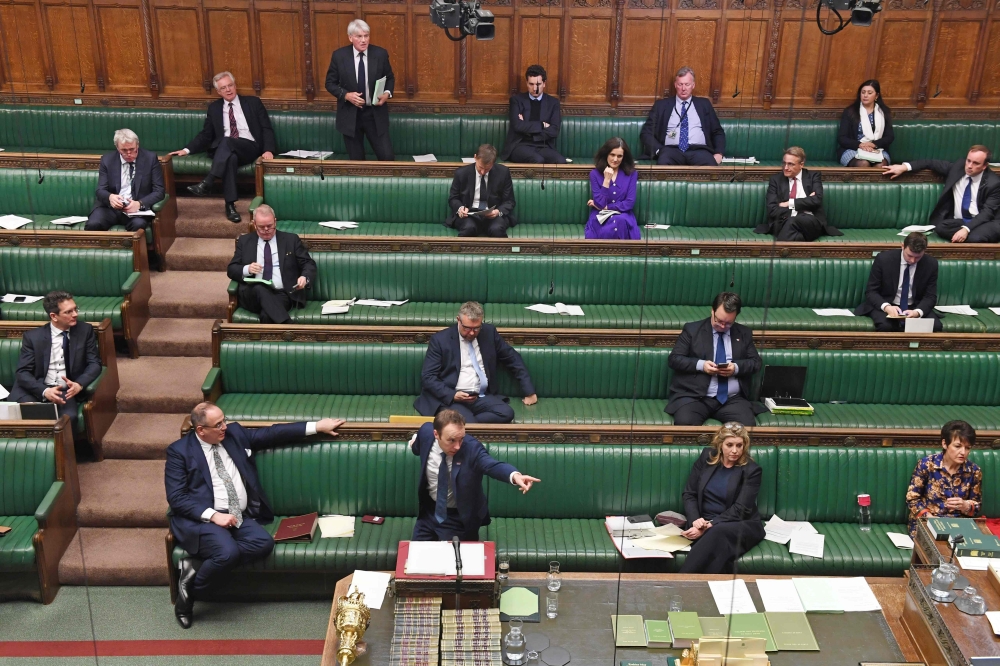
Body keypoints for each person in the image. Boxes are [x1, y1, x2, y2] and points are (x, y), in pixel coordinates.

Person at [166, 402, 345, 628]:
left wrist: (316, 426)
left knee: (263, 543)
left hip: (238, 516)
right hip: (203, 519)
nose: (225, 427)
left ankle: (193, 571)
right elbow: (177, 497)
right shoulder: (179, 452)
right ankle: (188, 597)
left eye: (225, 420)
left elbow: (272, 433)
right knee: (227, 552)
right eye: (218, 424)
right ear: (201, 430)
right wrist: (212, 515)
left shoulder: (234, 434)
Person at [410, 409, 540, 542]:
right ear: (436, 434)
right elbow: (417, 447)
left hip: (458, 518)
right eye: (452, 440)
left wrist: (514, 476)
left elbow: (491, 465)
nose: (457, 446)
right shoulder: (426, 432)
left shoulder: (472, 449)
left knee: (455, 560)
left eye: (461, 439)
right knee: (415, 556)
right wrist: (414, 440)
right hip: (428, 513)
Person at [169, 71, 276, 223]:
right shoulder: (214, 108)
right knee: (230, 157)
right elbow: (206, 135)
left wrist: (268, 150)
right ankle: (230, 206)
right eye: (223, 88)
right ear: (218, 92)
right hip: (225, 150)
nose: (228, 90)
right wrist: (186, 150)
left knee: (227, 141)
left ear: (235, 86)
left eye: (230, 85)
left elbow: (266, 128)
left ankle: (208, 181)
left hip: (249, 147)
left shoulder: (253, 102)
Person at [414, 301, 537, 424]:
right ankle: (465, 423)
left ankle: (462, 423)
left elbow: (513, 358)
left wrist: (529, 391)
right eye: (467, 328)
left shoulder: (489, 333)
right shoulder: (440, 340)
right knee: (468, 422)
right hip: (452, 398)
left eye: (476, 328)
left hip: (480, 397)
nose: (472, 333)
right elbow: (428, 377)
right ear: (458, 320)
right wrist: (452, 395)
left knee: (506, 413)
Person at [9, 291, 101, 434]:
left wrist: (79, 384)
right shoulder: (33, 337)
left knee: (68, 419)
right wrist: (44, 391)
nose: (75, 314)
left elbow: (94, 363)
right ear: (54, 316)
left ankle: (66, 456)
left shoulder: (85, 330)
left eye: (75, 309)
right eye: (68, 312)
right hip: (36, 388)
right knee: (27, 419)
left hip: (65, 391)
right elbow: (23, 372)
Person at [678, 422, 765, 574]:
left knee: (717, 533)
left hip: (739, 523)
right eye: (729, 445)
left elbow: (741, 510)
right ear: (720, 444)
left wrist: (708, 526)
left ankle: (681, 582)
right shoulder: (707, 457)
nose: (735, 451)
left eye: (739, 445)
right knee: (718, 548)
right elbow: (689, 493)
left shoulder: (752, 470)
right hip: (703, 523)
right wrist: (695, 520)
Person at [666, 292, 762, 426]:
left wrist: (735, 368)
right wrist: (701, 365)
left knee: (746, 426)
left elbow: (756, 363)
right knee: (685, 423)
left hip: (731, 399)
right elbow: (674, 359)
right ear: (712, 311)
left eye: (728, 323)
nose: (722, 326)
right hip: (695, 397)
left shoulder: (744, 333)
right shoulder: (692, 330)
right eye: (719, 321)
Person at [883, 145, 1000, 243]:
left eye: (976, 163)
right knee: (940, 227)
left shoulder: (993, 183)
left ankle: (971, 234)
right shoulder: (957, 168)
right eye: (968, 161)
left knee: (976, 238)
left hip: (987, 221)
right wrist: (904, 167)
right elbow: (930, 163)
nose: (969, 166)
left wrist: (966, 229)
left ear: (985, 166)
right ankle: (966, 235)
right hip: (961, 220)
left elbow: (987, 213)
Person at [226, 204, 316, 324]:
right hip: (252, 295)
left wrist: (304, 277)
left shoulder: (290, 240)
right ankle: (290, 327)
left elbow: (308, 264)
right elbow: (231, 269)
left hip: (281, 293)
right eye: (261, 227)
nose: (266, 230)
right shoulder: (245, 241)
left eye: (269, 226)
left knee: (267, 316)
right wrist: (247, 269)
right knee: (259, 288)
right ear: (254, 224)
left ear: (275, 221)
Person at [324, 19, 395, 161]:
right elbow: (330, 83)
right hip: (351, 116)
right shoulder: (339, 56)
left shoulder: (380, 54)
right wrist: (346, 95)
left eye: (366, 36)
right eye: (359, 36)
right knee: (357, 162)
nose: (364, 40)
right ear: (350, 37)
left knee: (387, 158)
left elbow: (390, 78)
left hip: (374, 114)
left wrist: (387, 93)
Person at [905, 420, 982, 537]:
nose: (963, 452)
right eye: (958, 446)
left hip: (957, 526)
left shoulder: (974, 471)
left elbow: (976, 506)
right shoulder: (927, 464)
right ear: (945, 444)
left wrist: (965, 506)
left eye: (967, 448)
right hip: (927, 521)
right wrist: (929, 517)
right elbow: (912, 498)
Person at [855, 231, 941, 332]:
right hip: (887, 303)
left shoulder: (931, 264)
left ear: (924, 251)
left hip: (914, 306)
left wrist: (917, 312)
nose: (913, 260)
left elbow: (930, 296)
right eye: (909, 255)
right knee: (886, 326)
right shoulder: (883, 259)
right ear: (902, 246)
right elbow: (871, 291)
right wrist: (887, 307)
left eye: (918, 257)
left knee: (936, 326)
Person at [639, 67, 726, 166]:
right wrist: (659, 150)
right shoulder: (661, 105)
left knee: (710, 165)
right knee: (663, 162)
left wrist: (719, 153)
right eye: (680, 84)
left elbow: (717, 131)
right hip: (671, 151)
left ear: (693, 85)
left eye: (687, 84)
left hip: (699, 150)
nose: (683, 88)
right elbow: (646, 133)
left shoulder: (704, 104)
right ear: (675, 85)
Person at [86, 129, 165, 233]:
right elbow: (100, 190)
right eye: (124, 150)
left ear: (137, 145)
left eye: (132, 149)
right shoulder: (107, 160)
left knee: (138, 225)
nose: (129, 153)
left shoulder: (150, 159)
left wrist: (139, 204)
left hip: (136, 210)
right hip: (110, 208)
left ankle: (134, 249)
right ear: (117, 148)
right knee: (93, 224)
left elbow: (159, 191)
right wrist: (110, 197)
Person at [756, 147, 841, 242]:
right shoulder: (776, 180)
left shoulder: (813, 177)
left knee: (795, 220)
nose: (786, 168)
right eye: (784, 163)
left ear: (801, 165)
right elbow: (772, 210)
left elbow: (816, 200)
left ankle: (778, 251)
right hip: (783, 220)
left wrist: (789, 203)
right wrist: (807, 201)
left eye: (790, 164)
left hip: (810, 221)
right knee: (794, 227)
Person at [500, 65, 568, 164]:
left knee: (561, 161)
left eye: (538, 84)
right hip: (520, 145)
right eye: (531, 84)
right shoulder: (517, 101)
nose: (535, 88)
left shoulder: (553, 103)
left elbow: (554, 130)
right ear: (527, 83)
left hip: (543, 145)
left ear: (544, 84)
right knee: (537, 160)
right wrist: (542, 125)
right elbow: (517, 126)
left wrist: (529, 131)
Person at [445, 144, 517, 237]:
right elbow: (453, 198)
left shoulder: (503, 172)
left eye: (487, 169)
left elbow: (509, 201)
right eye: (481, 167)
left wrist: (497, 212)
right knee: (468, 228)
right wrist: (460, 209)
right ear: (475, 157)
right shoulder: (461, 173)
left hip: (493, 215)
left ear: (493, 163)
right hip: (469, 214)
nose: (483, 172)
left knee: (497, 229)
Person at [585, 137, 639, 240]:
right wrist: (606, 181)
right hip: (600, 216)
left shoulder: (631, 174)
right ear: (606, 154)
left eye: (619, 156)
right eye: (612, 155)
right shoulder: (595, 174)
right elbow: (600, 204)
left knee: (620, 221)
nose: (615, 159)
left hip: (623, 214)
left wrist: (607, 207)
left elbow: (629, 203)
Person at [838, 80, 894, 168]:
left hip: (877, 149)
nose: (865, 95)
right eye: (863, 92)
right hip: (853, 149)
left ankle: (875, 182)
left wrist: (873, 144)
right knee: (863, 163)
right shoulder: (850, 112)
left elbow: (889, 137)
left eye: (869, 93)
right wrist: (860, 145)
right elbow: (842, 138)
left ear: (876, 96)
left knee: (880, 165)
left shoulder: (884, 112)